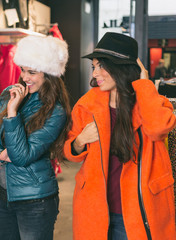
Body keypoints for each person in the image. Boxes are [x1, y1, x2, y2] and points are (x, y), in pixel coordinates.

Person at [63, 32, 176, 240]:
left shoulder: (151, 101)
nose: (95, 73)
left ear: (120, 68)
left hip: (139, 211)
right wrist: (80, 141)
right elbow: (69, 151)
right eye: (94, 67)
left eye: (101, 66)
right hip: (96, 210)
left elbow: (158, 128)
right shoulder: (87, 105)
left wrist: (144, 84)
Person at [0, 35, 71, 240]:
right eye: (22, 70)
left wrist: (12, 113)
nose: (24, 77)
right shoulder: (10, 93)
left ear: (48, 74)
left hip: (36, 200)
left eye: (32, 72)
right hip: (4, 194)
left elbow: (21, 156)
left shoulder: (56, 111)